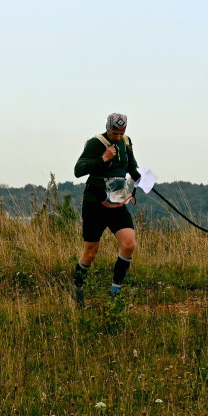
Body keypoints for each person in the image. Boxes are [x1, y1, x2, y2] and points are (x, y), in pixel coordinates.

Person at [72, 112, 142, 306]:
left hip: (117, 202)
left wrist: (146, 181)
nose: (118, 137)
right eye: (114, 134)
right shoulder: (96, 142)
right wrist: (102, 159)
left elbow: (132, 169)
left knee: (129, 245)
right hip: (95, 202)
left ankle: (115, 293)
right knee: (91, 252)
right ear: (108, 129)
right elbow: (78, 170)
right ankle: (78, 289)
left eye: (121, 133)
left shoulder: (126, 142)